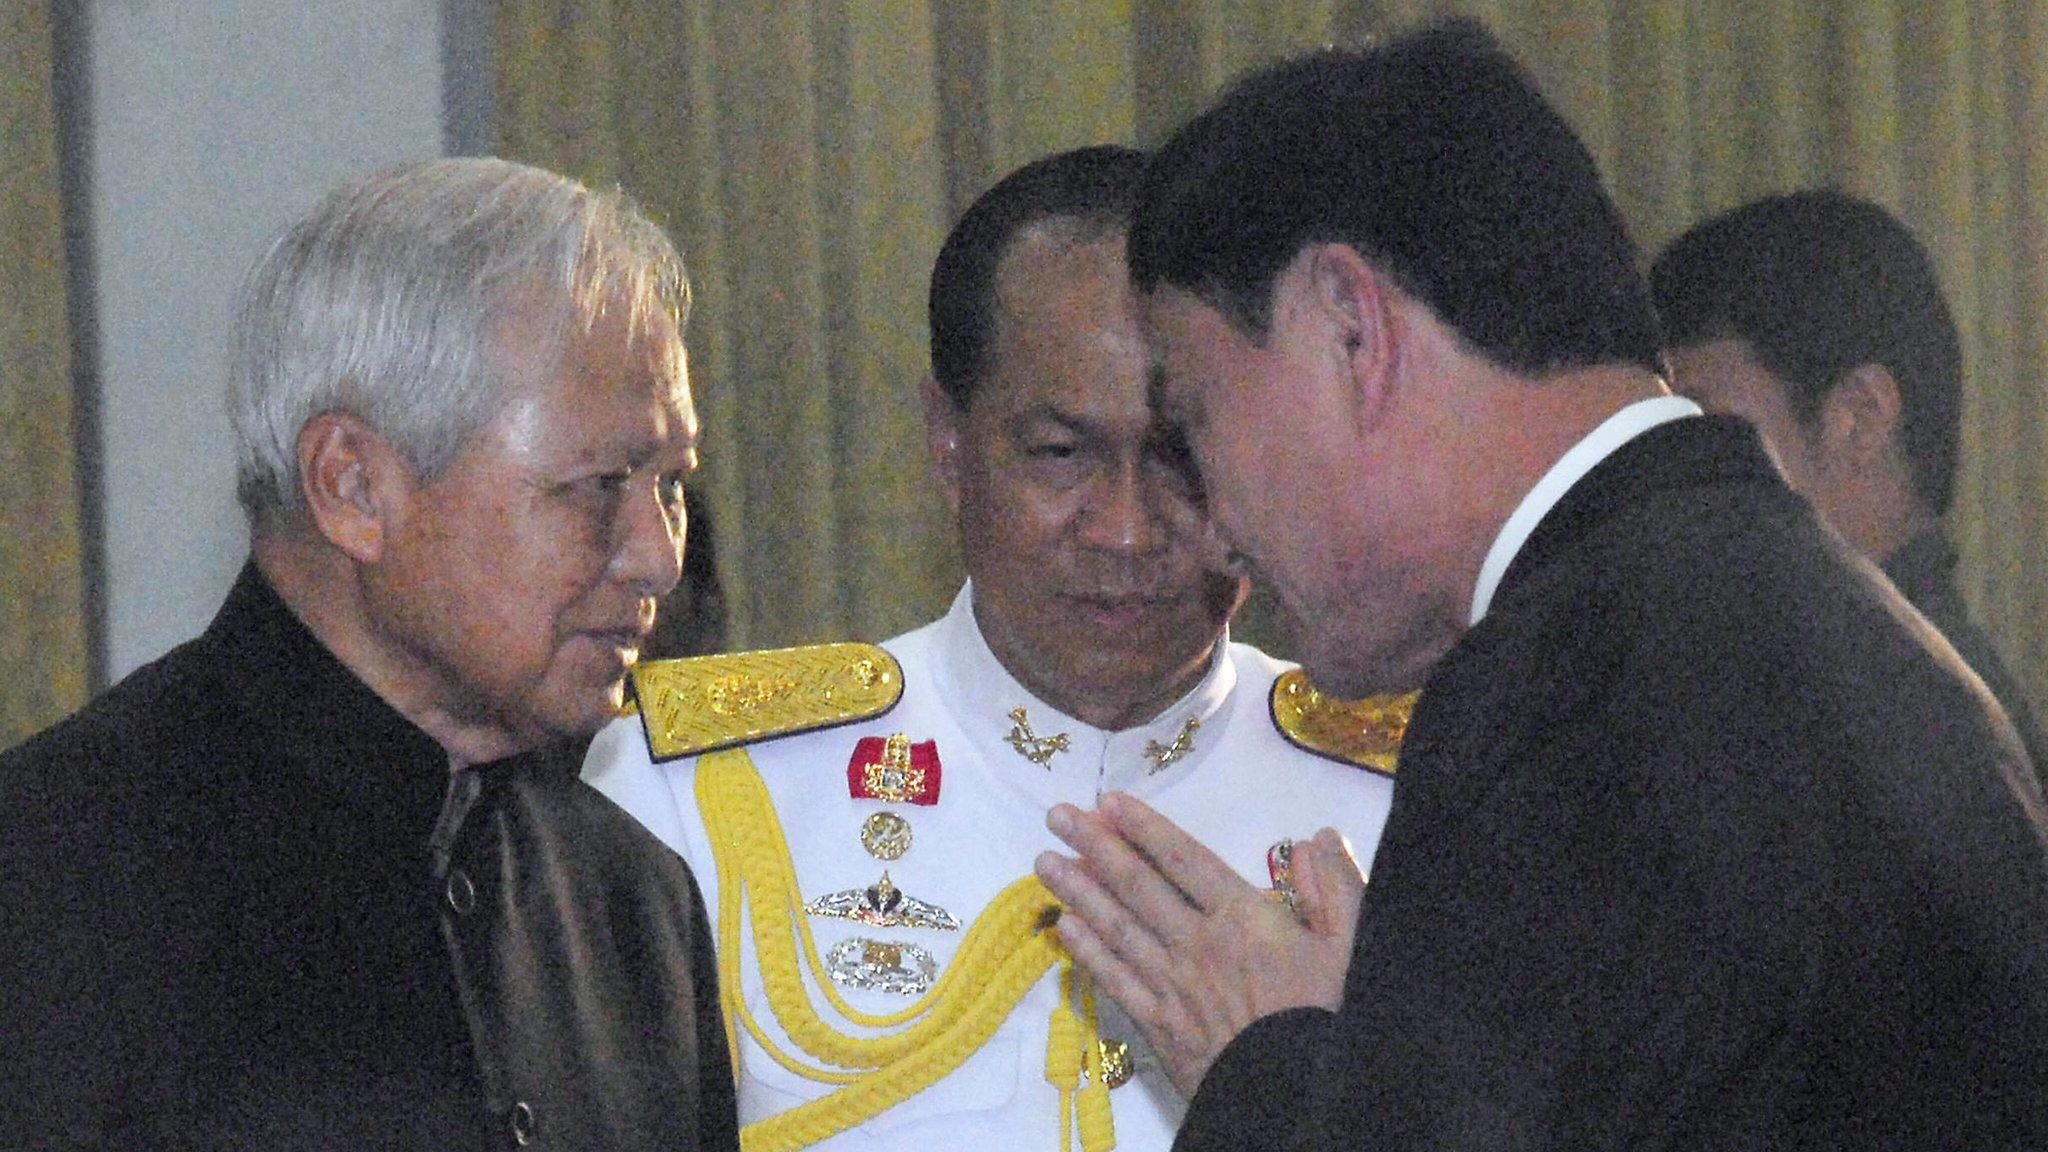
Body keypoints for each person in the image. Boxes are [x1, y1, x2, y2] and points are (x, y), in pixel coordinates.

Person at [1032, 22, 2048, 1151]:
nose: (1213, 530)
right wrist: (1382, 1056)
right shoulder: (1820, 616)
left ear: (1350, 328)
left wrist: (1261, 1064)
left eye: (1195, 419)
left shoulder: (1578, 680)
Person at [582, 145, 1407, 1151]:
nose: (1124, 529)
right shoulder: (694, 794)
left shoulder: (1417, 801)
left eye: (1180, 458)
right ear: (947, 445)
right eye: (1059, 455)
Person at [0, 158, 738, 1149]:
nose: (656, 556)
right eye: (600, 484)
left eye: (672, 482)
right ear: (352, 487)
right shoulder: (50, 876)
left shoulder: (631, 903)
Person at [1650, 189, 2046, 775]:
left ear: (1859, 417)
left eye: (1698, 423)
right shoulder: (1876, 689)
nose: (1661, 473)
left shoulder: (1895, 729)